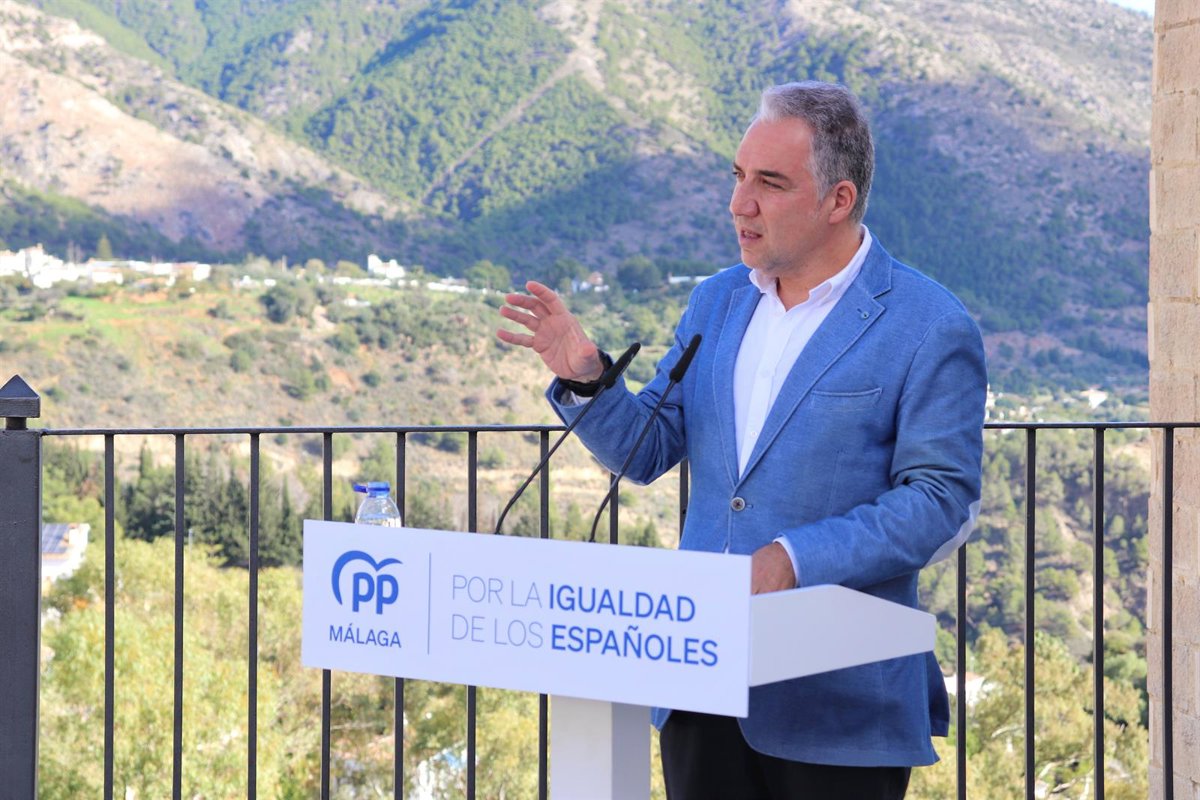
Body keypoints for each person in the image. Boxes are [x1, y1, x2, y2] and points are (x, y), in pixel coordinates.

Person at [497, 81, 986, 800]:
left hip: (836, 706)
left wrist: (792, 558)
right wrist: (586, 376)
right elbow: (649, 448)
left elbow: (940, 500)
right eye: (738, 176)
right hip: (700, 687)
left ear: (839, 200)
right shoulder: (717, 300)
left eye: (770, 183)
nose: (739, 203)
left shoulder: (929, 324)